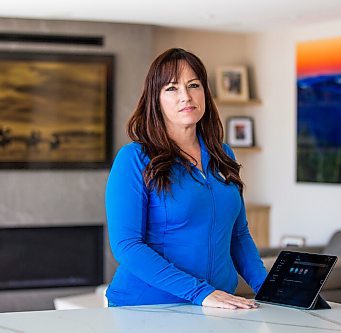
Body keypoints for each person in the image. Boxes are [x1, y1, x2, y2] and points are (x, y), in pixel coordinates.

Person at [105, 48, 267, 309]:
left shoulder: (222, 154)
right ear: (155, 99)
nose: (186, 96)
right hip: (148, 308)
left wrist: (270, 290)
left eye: (194, 85)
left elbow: (238, 235)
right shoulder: (134, 158)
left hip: (216, 306)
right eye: (171, 88)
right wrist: (201, 292)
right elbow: (127, 245)